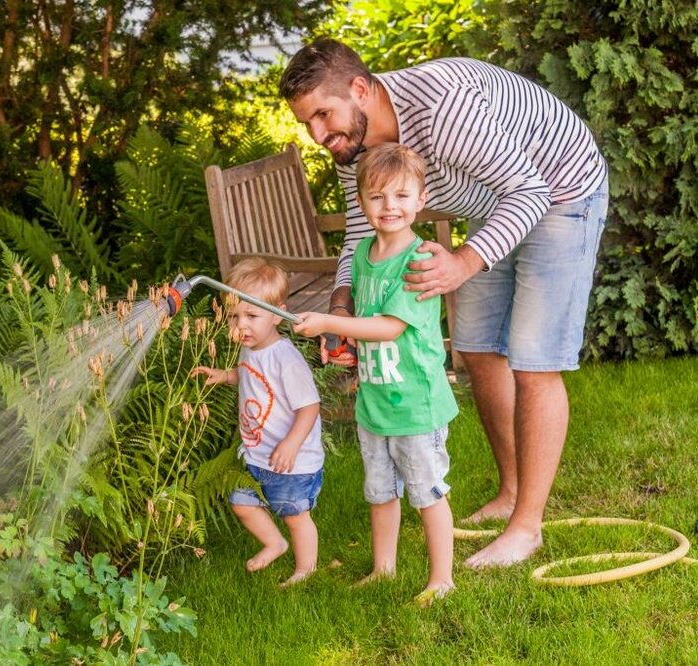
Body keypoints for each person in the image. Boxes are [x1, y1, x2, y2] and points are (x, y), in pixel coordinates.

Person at [279, 38, 609, 567]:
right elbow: (360, 234)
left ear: (360, 89)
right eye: (307, 123)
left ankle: (527, 527)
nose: (319, 135)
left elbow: (528, 192)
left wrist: (463, 262)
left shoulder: (444, 109)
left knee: (534, 360)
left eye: (324, 114)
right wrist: (342, 309)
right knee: (477, 348)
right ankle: (508, 494)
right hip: (497, 203)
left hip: (560, 189)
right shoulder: (352, 146)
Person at [293, 143, 458, 605]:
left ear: (421, 200)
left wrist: (329, 322)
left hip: (416, 403)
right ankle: (383, 569)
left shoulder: (420, 260)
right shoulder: (364, 254)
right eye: (378, 197)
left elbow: (389, 327)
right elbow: (367, 321)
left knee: (427, 493)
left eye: (402, 196)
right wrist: (347, 344)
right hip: (375, 401)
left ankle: (441, 578)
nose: (390, 207)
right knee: (380, 491)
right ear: (361, 202)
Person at [191, 258, 323, 587]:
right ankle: (274, 543)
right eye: (234, 316)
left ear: (278, 314)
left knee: (294, 515)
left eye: (252, 316)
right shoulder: (251, 350)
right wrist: (224, 376)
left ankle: (306, 569)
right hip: (258, 455)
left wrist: (291, 445)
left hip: (293, 461)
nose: (241, 325)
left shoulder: (285, 358)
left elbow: (310, 407)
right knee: (241, 502)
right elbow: (249, 376)